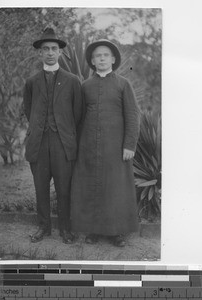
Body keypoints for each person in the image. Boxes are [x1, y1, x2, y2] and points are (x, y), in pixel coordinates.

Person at [71, 39, 139, 247]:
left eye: (105, 55)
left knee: (114, 188)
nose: (101, 58)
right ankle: (93, 230)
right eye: (97, 56)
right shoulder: (86, 86)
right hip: (89, 147)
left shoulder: (123, 84)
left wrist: (129, 145)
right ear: (92, 61)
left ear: (112, 59)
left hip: (115, 148)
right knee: (91, 187)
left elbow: (133, 115)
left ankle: (116, 233)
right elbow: (78, 118)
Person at [23, 28, 82, 243]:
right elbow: (28, 109)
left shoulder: (73, 80)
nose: (49, 52)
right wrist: (40, 127)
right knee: (40, 189)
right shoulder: (32, 82)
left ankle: (65, 230)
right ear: (39, 53)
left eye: (54, 49)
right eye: (45, 49)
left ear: (60, 52)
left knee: (64, 189)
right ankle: (43, 228)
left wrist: (63, 131)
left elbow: (77, 114)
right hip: (38, 142)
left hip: (63, 144)